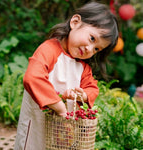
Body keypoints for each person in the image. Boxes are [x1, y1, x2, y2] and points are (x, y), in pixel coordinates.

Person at [14, 1, 118, 150]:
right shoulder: (49, 50)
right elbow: (33, 77)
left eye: (96, 49)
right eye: (92, 39)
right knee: (34, 144)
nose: (90, 49)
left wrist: (83, 95)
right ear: (75, 22)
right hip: (38, 121)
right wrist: (59, 107)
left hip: (62, 129)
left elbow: (92, 88)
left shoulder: (83, 67)